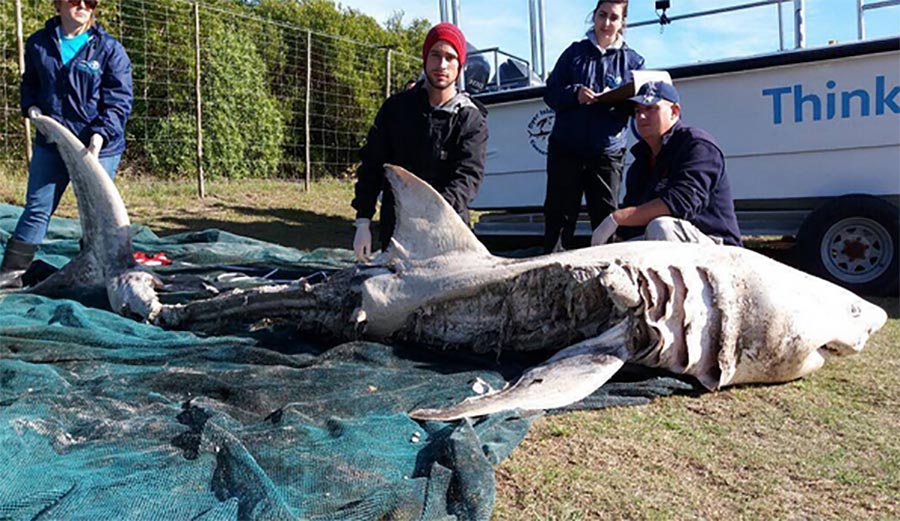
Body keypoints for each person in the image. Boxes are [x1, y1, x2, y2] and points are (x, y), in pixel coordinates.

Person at [0, 0, 133, 289]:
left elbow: (119, 102)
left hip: (97, 147)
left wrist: (100, 136)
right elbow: (30, 84)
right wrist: (31, 107)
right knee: (37, 206)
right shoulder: (39, 43)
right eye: (75, 0)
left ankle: (95, 269)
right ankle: (11, 273)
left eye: (91, 2)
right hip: (53, 143)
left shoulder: (109, 50)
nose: (83, 6)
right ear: (59, 4)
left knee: (98, 213)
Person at [351, 22, 488, 262]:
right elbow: (372, 164)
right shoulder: (396, 109)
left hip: (449, 234)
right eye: (435, 55)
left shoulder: (471, 119)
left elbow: (467, 177)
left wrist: (432, 216)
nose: (442, 65)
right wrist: (363, 222)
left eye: (450, 57)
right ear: (425, 58)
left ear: (460, 66)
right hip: (397, 233)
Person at [541, 0, 644, 253]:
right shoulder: (573, 53)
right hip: (566, 151)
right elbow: (551, 94)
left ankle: (606, 282)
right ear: (594, 17)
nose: (606, 23)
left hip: (607, 154)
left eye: (613, 18)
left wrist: (620, 100)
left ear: (622, 23)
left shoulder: (634, 61)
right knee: (559, 219)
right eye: (602, 15)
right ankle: (553, 280)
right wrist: (574, 94)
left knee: (606, 221)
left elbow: (640, 103)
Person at [590, 81, 742, 247]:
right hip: (668, 247)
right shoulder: (639, 164)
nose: (641, 116)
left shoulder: (697, 145)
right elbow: (632, 224)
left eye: (650, 108)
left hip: (717, 246)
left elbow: (682, 202)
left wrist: (618, 217)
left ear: (674, 111)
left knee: (662, 227)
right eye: (637, 110)